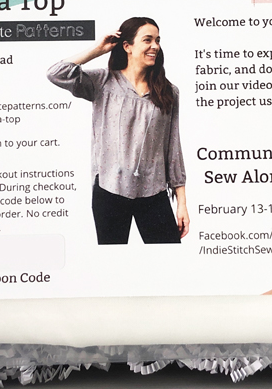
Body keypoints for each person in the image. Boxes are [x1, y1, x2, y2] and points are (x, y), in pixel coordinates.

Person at [47, 17, 189, 244]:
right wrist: (98, 49)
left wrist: (181, 203)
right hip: (110, 191)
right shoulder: (103, 81)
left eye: (157, 40)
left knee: (169, 257)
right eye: (148, 40)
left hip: (153, 192)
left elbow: (174, 149)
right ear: (127, 46)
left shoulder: (169, 92)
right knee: (110, 260)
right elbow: (56, 73)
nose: (155, 46)